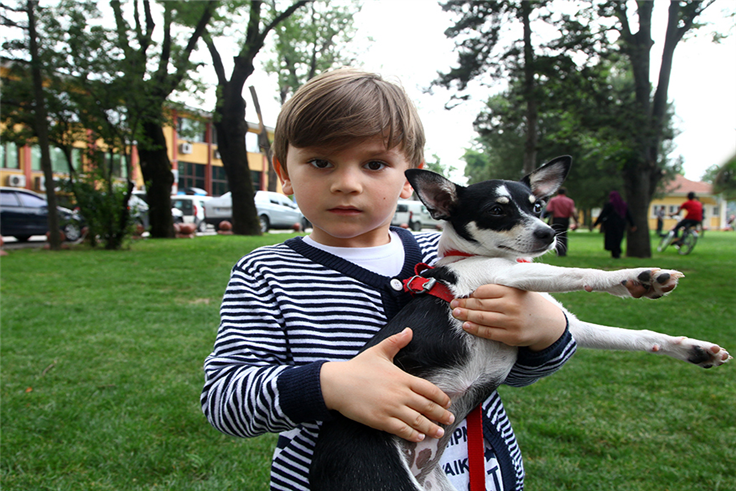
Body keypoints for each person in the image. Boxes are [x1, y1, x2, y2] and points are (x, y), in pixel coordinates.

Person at [200, 68, 576, 491]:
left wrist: (549, 332)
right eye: (320, 162)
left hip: (477, 475)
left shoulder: (456, 255)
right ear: (283, 172)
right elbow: (225, 399)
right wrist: (331, 385)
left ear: (409, 180)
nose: (347, 184)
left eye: (375, 164)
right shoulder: (267, 273)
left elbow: (512, 371)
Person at [591, 191, 636, 259]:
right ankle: (617, 251)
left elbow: (603, 214)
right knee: (618, 238)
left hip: (611, 224)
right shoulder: (624, 205)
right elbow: (628, 215)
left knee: (611, 238)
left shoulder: (609, 204)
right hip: (621, 224)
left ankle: (614, 252)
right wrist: (632, 224)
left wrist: (595, 223)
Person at [545, 187, 579, 256]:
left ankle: (558, 250)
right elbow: (572, 212)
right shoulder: (570, 201)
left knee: (557, 234)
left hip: (556, 219)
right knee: (564, 235)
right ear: (565, 193)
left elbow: (549, 209)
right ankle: (563, 251)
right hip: (565, 220)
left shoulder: (553, 200)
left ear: (557, 192)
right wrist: (576, 222)